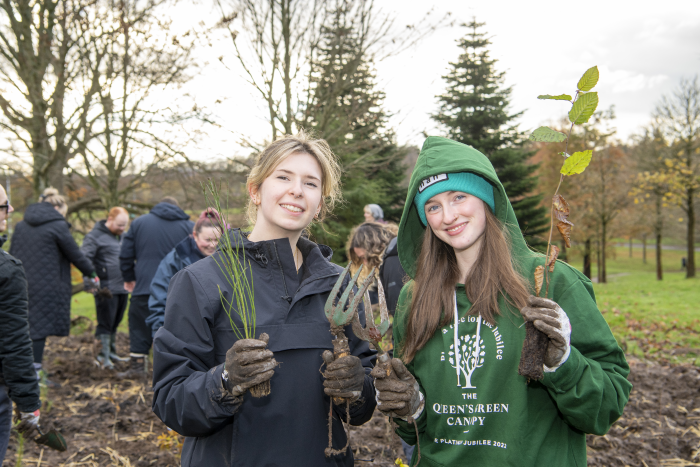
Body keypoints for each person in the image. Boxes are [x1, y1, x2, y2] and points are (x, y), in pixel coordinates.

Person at [372, 137, 632, 466]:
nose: (448, 215)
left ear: (486, 198)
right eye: (433, 206)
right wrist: (412, 408)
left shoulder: (551, 282)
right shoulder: (414, 298)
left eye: (459, 196)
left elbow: (605, 409)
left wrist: (563, 363)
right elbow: (414, 432)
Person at [152, 131, 377, 466]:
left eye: (311, 183)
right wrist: (225, 381)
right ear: (255, 191)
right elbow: (171, 399)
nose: (296, 190)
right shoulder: (201, 281)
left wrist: (358, 387)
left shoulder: (341, 286)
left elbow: (362, 406)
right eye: (283, 177)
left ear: (319, 207)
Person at [10, 188, 97, 386]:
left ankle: (22, 371)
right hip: (46, 286)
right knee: (38, 330)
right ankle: (35, 376)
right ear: (57, 208)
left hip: (21, 281)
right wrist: (91, 273)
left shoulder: (21, 224)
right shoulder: (58, 225)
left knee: (24, 327)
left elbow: (12, 253)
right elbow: (75, 254)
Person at [119, 197, 193, 376]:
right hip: (178, 289)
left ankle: (137, 366)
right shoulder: (189, 226)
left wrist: (129, 278)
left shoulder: (139, 223)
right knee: (178, 328)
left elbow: (125, 254)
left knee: (138, 325)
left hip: (144, 285)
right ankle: (173, 368)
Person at [0, 184, 42, 464]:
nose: (11, 210)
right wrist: (28, 404)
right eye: (3, 206)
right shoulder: (6, 270)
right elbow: (13, 341)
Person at [145, 208, 224, 337]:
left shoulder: (229, 260)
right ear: (195, 236)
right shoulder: (176, 260)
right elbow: (159, 297)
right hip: (184, 333)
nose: (213, 245)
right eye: (208, 240)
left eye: (217, 240)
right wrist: (160, 334)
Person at [81, 207, 131, 369]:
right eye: (119, 225)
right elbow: (84, 259)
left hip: (122, 287)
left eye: (125, 225)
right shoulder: (94, 236)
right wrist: (89, 282)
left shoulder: (122, 237)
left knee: (115, 321)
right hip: (105, 289)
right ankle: (102, 356)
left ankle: (112, 352)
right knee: (105, 322)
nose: (122, 229)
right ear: (109, 219)